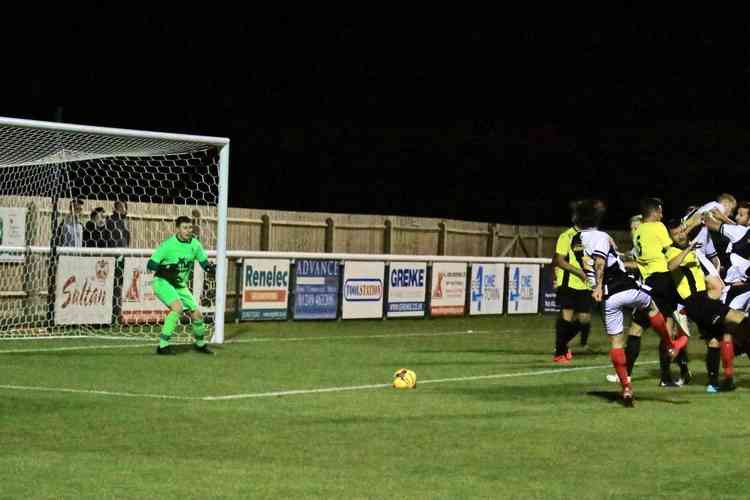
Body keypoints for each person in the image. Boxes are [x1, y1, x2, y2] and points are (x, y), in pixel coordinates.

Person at [571, 200, 672, 407]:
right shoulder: (601, 236)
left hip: (609, 298)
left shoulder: (575, 240)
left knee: (616, 344)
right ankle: (670, 345)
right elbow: (600, 262)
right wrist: (599, 284)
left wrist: (596, 286)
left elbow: (593, 261)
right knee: (652, 306)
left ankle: (626, 387)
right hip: (623, 287)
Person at [665, 219, 750, 392]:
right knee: (741, 320)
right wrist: (689, 248)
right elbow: (670, 265)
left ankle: (713, 384)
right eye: (676, 233)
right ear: (670, 237)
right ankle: (725, 375)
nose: (681, 235)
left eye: (682, 231)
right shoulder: (671, 251)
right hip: (699, 302)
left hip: (699, 303)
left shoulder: (694, 252)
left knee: (714, 341)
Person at [148, 215, 216, 355]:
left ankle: (200, 344)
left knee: (197, 315)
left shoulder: (195, 245)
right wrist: (165, 269)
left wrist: (210, 268)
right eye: (185, 228)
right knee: (177, 308)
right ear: (177, 228)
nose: (188, 230)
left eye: (190, 227)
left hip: (179, 285)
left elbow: (203, 262)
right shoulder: (168, 245)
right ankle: (162, 345)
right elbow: (151, 264)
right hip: (162, 282)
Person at [551, 202, 592, 364]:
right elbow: (559, 260)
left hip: (585, 285)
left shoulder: (591, 237)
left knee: (584, 320)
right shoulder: (566, 236)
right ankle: (560, 352)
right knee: (566, 317)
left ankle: (562, 345)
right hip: (568, 283)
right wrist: (579, 272)